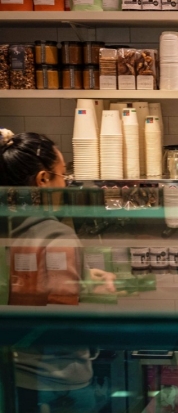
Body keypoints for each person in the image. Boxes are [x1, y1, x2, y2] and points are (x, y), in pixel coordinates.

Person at [0, 129, 114, 413]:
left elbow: (21, 288)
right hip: (58, 383)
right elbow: (65, 321)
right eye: (64, 177)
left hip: (10, 378)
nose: (66, 186)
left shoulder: (8, 229)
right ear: (43, 180)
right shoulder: (55, 234)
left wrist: (84, 277)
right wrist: (94, 293)